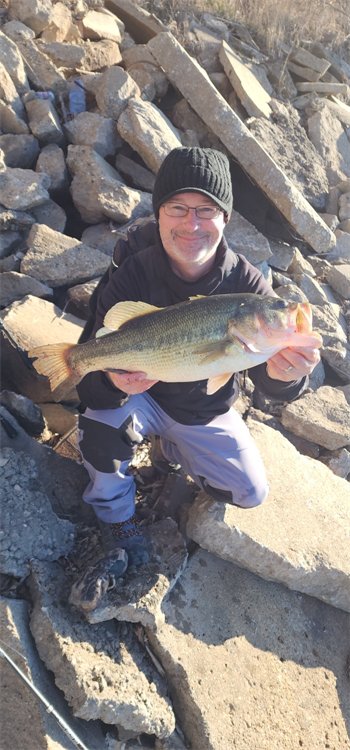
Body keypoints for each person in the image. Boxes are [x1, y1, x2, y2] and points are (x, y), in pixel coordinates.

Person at [76, 147, 320, 572]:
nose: (191, 223)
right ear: (159, 213)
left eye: (206, 210)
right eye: (177, 208)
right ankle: (117, 519)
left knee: (250, 491)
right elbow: (90, 368)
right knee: (100, 427)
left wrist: (288, 377)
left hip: (200, 409)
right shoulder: (130, 266)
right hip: (140, 398)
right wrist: (113, 385)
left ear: (226, 219)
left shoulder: (249, 285)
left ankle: (172, 446)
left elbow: (272, 382)